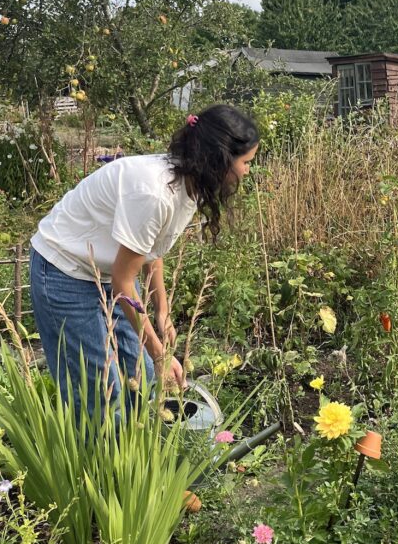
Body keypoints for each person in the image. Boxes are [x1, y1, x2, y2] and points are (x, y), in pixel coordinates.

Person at [29, 104, 259, 416]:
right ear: (219, 160)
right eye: (245, 162)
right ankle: (100, 461)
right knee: (99, 392)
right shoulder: (154, 193)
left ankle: (138, 456)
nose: (247, 171)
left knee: (146, 377)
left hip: (109, 271)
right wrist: (161, 353)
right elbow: (125, 284)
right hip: (64, 270)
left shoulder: (189, 186)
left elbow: (152, 253)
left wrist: (162, 312)